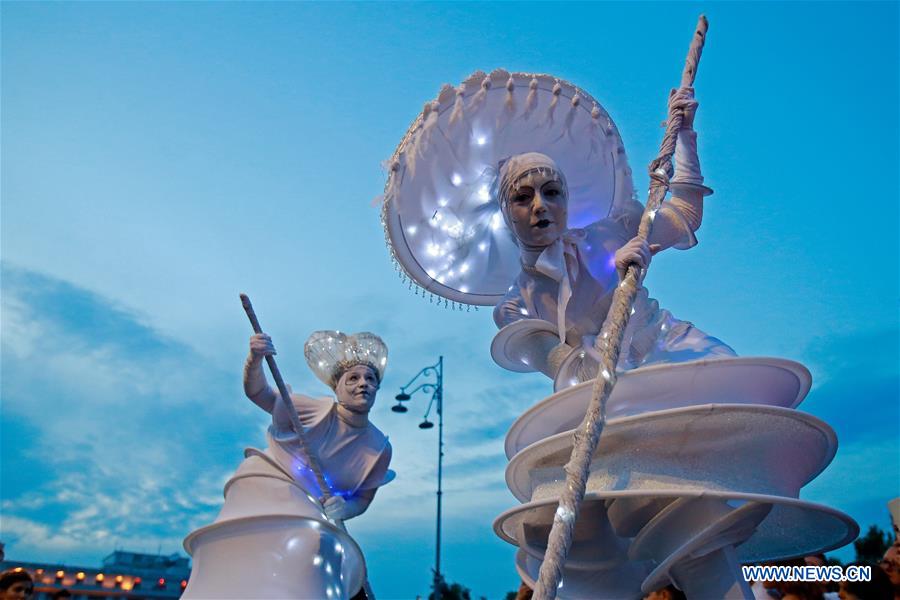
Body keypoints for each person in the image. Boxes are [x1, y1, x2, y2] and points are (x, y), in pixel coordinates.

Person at [492, 88, 734, 384]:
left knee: (736, 382)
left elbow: (686, 213)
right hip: (617, 391)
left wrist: (684, 135)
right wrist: (622, 287)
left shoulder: (611, 231)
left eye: (552, 192)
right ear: (506, 213)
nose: (540, 205)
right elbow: (579, 379)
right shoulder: (514, 309)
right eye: (523, 197)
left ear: (566, 201)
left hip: (679, 350)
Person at [242, 330, 393, 520]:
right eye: (353, 378)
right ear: (337, 387)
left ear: (376, 388)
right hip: (265, 488)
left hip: (309, 514)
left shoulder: (379, 448)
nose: (363, 383)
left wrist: (346, 508)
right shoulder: (309, 410)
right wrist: (254, 359)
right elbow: (259, 394)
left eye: (370, 378)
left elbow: (363, 498)